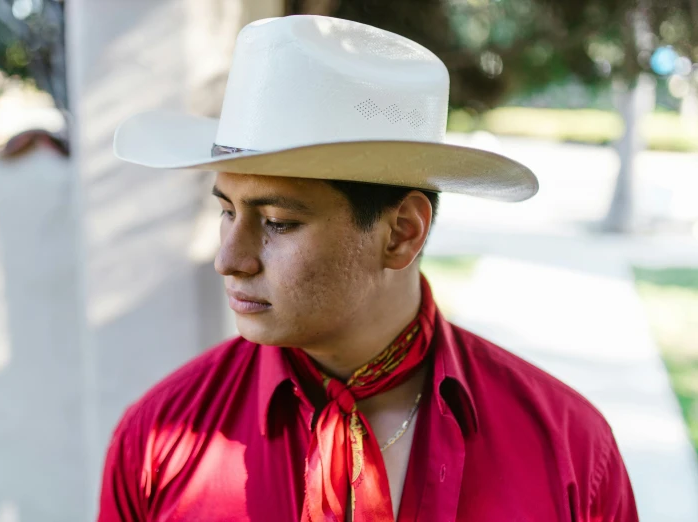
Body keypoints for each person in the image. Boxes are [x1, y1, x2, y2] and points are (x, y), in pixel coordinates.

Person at [100, 15, 638, 522]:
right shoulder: (158, 441)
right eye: (227, 210)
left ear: (402, 231)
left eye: (279, 222)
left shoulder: (569, 450)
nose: (229, 259)